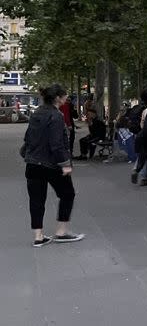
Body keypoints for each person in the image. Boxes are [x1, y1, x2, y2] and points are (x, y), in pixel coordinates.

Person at [20, 84, 84, 247]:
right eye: (65, 96)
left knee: (36, 199)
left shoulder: (37, 113)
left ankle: (38, 236)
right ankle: (61, 232)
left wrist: (27, 154)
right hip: (51, 164)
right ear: (58, 98)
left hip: (33, 163)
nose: (66, 98)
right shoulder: (56, 116)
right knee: (67, 194)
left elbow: (28, 137)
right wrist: (65, 164)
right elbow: (56, 144)